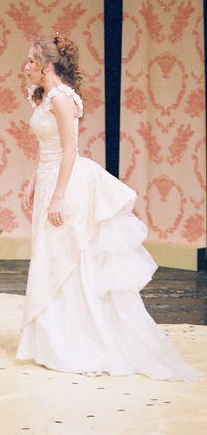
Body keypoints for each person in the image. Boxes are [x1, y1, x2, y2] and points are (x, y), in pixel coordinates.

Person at [17, 36, 202, 381]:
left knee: (68, 258)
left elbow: (69, 150)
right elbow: (45, 147)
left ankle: (77, 342)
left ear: (47, 65)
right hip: (47, 180)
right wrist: (32, 182)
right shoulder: (43, 97)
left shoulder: (62, 98)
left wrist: (58, 196)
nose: (25, 67)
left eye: (31, 61)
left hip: (66, 184)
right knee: (50, 256)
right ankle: (52, 341)